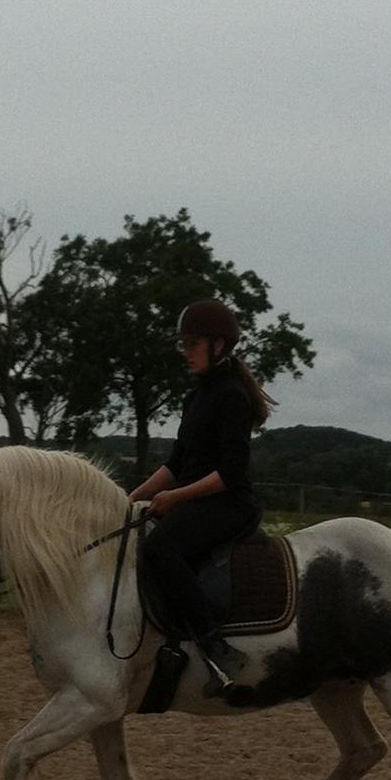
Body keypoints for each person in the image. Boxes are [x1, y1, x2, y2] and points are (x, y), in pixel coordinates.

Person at [128, 298, 274, 695]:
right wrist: (128, 499)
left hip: (230, 504)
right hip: (199, 500)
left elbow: (230, 474)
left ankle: (215, 646)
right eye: (184, 344)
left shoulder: (231, 396)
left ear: (220, 346)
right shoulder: (196, 398)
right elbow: (175, 464)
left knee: (160, 548)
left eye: (193, 344)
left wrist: (174, 499)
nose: (186, 352)